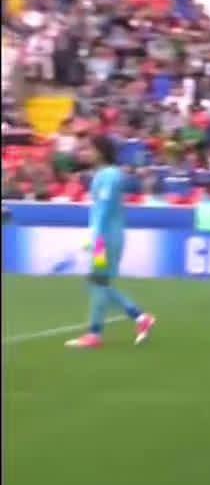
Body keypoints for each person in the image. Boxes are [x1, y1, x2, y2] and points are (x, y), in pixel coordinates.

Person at [65, 135, 156, 348]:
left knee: (98, 283)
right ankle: (135, 319)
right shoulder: (105, 174)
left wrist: (94, 235)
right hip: (106, 237)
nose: (84, 153)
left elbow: (104, 209)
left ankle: (106, 330)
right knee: (98, 283)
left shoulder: (110, 176)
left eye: (88, 149)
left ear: (100, 151)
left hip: (104, 239)